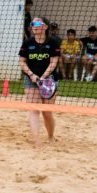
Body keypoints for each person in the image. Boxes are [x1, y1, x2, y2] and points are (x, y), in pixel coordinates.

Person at [18, 17, 61, 147]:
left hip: (49, 80)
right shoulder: (27, 43)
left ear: (45, 27)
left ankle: (50, 136)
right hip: (31, 79)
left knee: (47, 112)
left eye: (37, 23)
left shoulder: (53, 42)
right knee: (34, 110)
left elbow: (54, 62)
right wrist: (31, 75)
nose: (34, 26)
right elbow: (22, 61)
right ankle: (37, 141)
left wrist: (43, 77)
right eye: (32, 24)